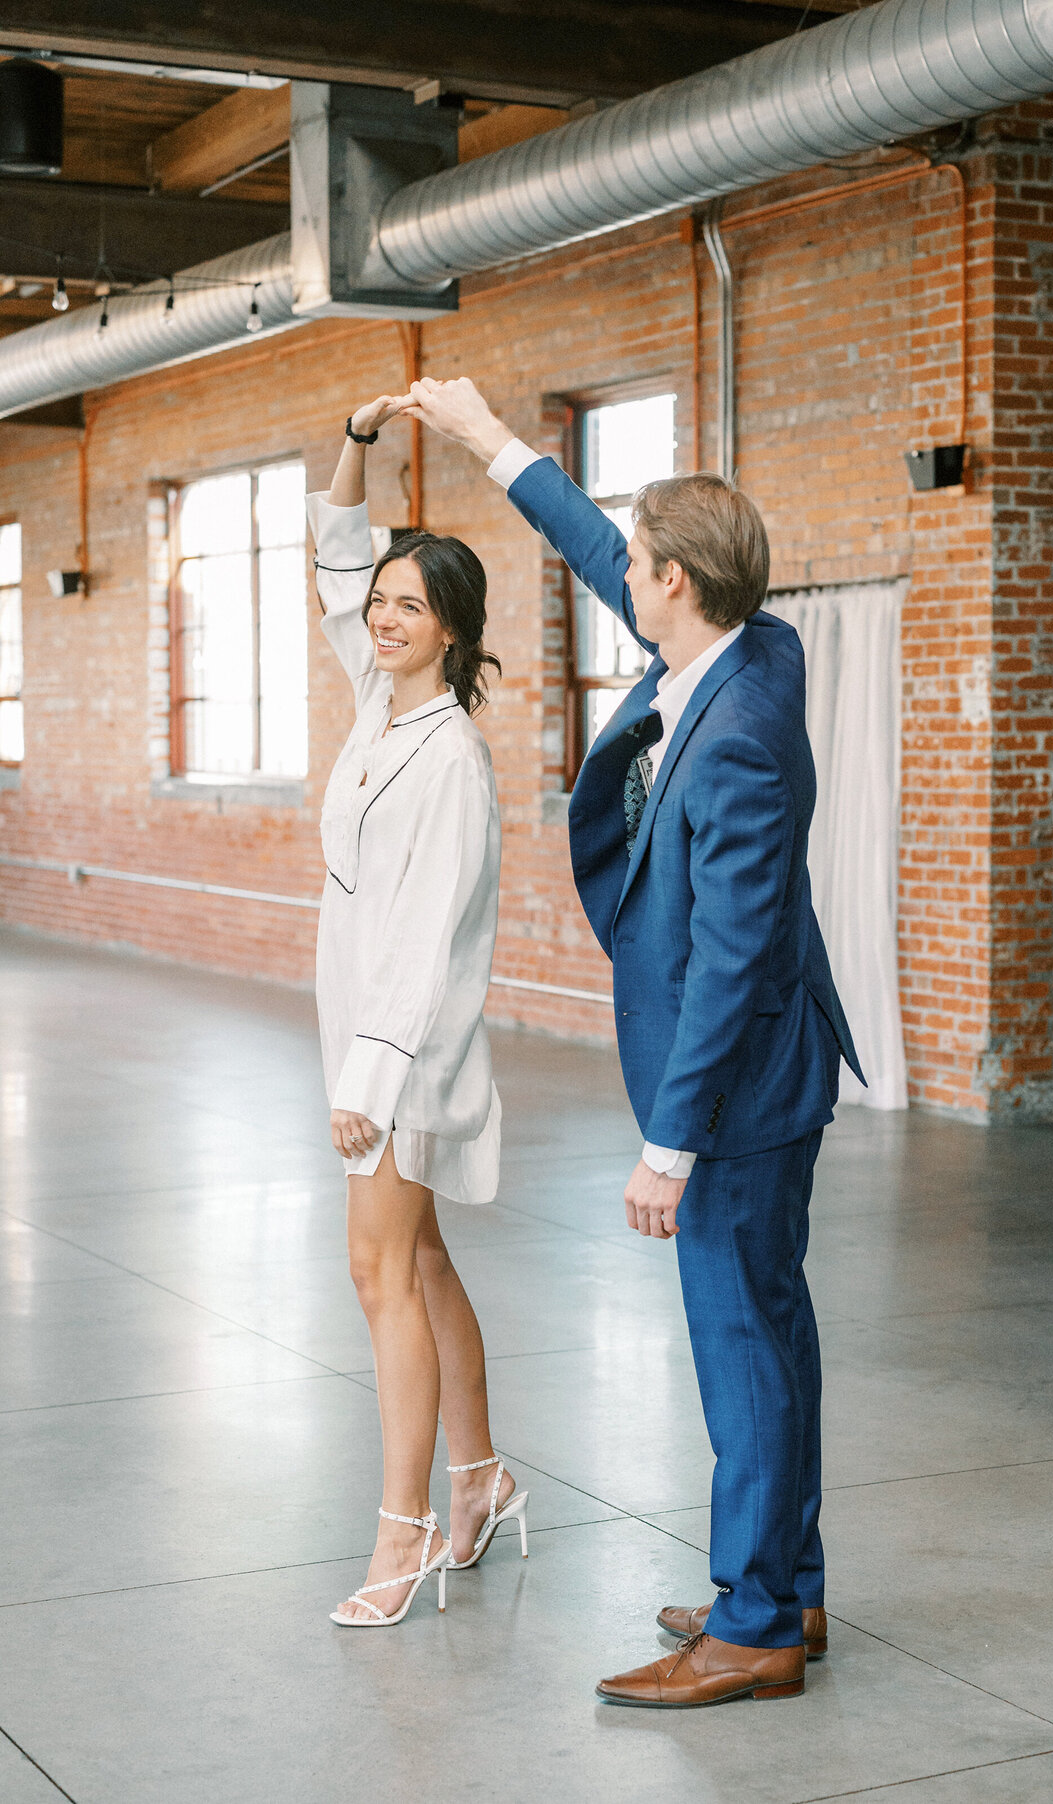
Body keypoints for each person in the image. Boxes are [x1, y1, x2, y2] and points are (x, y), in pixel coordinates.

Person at [398, 375, 863, 1704]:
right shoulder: (743, 643)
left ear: (676, 586)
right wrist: (491, 441)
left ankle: (760, 1623)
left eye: (639, 572)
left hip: (743, 1089)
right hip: (764, 1072)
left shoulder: (739, 745)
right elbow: (605, 549)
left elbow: (738, 950)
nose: (627, 583)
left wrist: (671, 1140)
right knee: (771, 1325)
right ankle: (791, 1585)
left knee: (742, 1342)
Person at [310, 394, 528, 1629]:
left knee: (376, 1266)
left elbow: (425, 936)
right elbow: (339, 545)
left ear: (451, 630)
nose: (382, 617)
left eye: (407, 605)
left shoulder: (448, 754)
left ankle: (401, 1538)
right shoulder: (377, 704)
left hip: (402, 1053)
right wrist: (359, 435)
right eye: (380, 602)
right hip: (362, 1038)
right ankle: (483, 1473)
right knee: (425, 1256)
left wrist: (368, 1080)